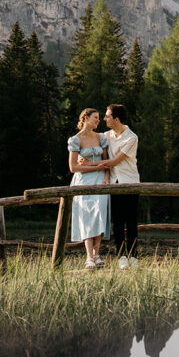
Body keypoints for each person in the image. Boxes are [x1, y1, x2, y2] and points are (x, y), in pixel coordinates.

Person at [67, 108, 110, 269]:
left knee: (99, 213)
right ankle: (89, 256)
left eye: (99, 118)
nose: (98, 120)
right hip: (82, 181)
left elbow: (107, 162)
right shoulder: (75, 140)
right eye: (96, 118)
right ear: (86, 118)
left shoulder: (101, 137)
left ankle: (97, 254)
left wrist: (106, 177)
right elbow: (73, 167)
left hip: (100, 181)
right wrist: (94, 166)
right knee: (86, 217)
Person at [101, 104, 140, 269]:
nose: (105, 119)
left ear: (116, 119)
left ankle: (134, 257)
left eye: (107, 116)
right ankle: (121, 256)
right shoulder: (106, 136)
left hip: (130, 182)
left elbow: (114, 161)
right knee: (117, 222)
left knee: (131, 221)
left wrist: (88, 164)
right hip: (114, 184)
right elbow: (88, 140)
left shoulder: (132, 137)